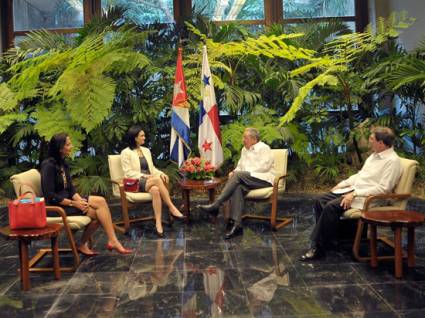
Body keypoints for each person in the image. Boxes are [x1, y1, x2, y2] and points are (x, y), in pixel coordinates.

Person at [300, 126, 402, 261]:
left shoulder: (392, 161)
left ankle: (318, 247)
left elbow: (383, 189)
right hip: (355, 191)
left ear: (381, 143)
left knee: (331, 207)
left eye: (371, 139)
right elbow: (360, 176)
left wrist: (355, 193)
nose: (369, 141)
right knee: (320, 200)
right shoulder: (374, 156)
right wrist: (342, 185)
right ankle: (331, 239)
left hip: (368, 198)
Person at [40, 133, 133, 255]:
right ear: (60, 148)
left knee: (100, 202)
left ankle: (107, 241)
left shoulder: (63, 163)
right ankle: (103, 242)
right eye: (68, 144)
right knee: (97, 215)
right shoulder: (48, 166)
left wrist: (79, 201)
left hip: (68, 201)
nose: (72, 146)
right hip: (56, 207)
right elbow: (50, 196)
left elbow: (71, 189)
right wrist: (75, 204)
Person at [199, 127, 275, 239]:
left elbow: (264, 167)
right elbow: (240, 166)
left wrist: (241, 174)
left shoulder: (264, 148)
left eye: (245, 137)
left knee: (238, 176)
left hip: (263, 179)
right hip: (247, 179)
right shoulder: (244, 150)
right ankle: (237, 225)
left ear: (254, 139)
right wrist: (234, 172)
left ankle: (216, 204)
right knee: (238, 187)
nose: (242, 140)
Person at [120, 125, 186, 238]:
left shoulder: (146, 150)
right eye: (142, 135)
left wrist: (160, 173)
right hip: (135, 183)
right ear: (135, 138)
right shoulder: (126, 152)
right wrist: (145, 176)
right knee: (155, 180)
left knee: (155, 190)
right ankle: (171, 207)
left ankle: (158, 223)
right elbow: (128, 173)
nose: (144, 137)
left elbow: (152, 168)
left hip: (150, 181)